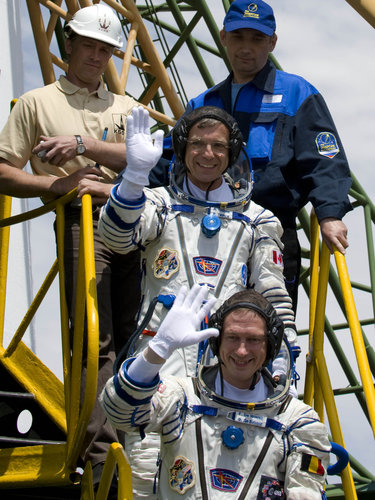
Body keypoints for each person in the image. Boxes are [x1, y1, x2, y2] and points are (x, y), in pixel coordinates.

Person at [98, 104, 300, 497]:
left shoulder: (257, 220)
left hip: (229, 358)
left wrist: (285, 351)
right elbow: (116, 237)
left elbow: (272, 294)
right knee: (145, 461)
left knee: (217, 467)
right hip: (162, 347)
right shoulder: (159, 203)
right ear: (183, 148)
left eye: (218, 146)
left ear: (232, 152)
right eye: (198, 144)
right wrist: (134, 177)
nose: (207, 154)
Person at [0, 3, 141, 486]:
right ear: (70, 46)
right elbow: (2, 169)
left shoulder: (130, 109)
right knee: (94, 340)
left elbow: (154, 163)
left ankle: (136, 441)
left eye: (106, 49)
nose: (97, 56)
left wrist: (86, 148)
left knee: (139, 334)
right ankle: (103, 451)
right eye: (89, 45)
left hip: (138, 225)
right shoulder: (36, 104)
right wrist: (54, 188)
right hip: (84, 223)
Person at [150, 0, 352, 311]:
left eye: (257, 39)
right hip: (199, 235)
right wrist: (123, 191)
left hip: (270, 232)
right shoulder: (205, 103)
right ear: (223, 38)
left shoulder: (298, 94)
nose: (247, 48)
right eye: (239, 37)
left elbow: (325, 160)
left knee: (266, 332)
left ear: (272, 42)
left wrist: (330, 214)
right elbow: (165, 161)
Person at [100, 284, 331, 499]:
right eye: (232, 337)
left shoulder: (298, 423)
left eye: (253, 340)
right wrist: (158, 348)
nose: (241, 351)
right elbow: (120, 412)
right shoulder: (182, 398)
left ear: (270, 345)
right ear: (216, 341)